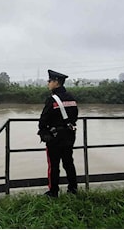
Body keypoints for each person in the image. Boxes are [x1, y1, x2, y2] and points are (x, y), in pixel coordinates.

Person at [37, 69, 78, 197]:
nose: (48, 83)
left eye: (50, 81)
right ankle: (73, 189)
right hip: (69, 135)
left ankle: (53, 192)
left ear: (56, 82)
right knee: (68, 163)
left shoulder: (52, 100)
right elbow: (75, 116)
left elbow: (43, 120)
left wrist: (44, 133)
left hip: (54, 137)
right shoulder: (71, 97)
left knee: (53, 166)